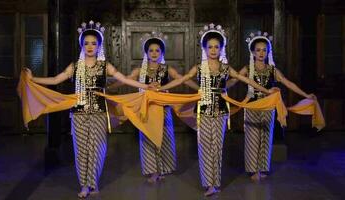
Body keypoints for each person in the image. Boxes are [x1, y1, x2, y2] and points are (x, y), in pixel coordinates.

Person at [25, 20, 149, 198]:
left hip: (99, 113)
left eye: (93, 43)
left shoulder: (105, 66)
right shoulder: (75, 66)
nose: (90, 46)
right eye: (86, 43)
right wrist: (32, 79)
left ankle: (93, 182)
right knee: (81, 150)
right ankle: (84, 185)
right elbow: (55, 80)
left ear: (99, 46)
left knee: (97, 149)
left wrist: (145, 87)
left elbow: (125, 79)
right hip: (78, 114)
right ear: (82, 45)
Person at [158, 24, 275, 196]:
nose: (213, 50)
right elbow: (181, 80)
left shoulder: (226, 68)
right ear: (204, 48)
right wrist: (159, 89)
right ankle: (209, 184)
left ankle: (216, 182)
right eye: (210, 47)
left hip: (220, 112)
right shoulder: (198, 68)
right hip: (203, 112)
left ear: (221, 49)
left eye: (216, 47)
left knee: (217, 148)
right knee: (204, 146)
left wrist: (267, 91)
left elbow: (247, 80)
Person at [108, 31, 198, 183]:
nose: (154, 53)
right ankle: (152, 171)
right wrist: (109, 88)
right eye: (151, 50)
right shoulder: (139, 70)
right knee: (148, 138)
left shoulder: (167, 69)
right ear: (146, 52)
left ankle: (163, 169)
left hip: (163, 108)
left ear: (162, 52)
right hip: (146, 109)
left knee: (164, 138)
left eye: (157, 50)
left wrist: (199, 88)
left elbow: (183, 79)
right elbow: (125, 80)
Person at [226, 31, 316, 181]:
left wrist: (306, 95)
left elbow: (288, 83)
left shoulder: (272, 70)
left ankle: (262, 169)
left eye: (264, 50)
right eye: (258, 50)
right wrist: (219, 87)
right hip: (252, 106)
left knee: (266, 138)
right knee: (252, 139)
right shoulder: (247, 69)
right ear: (253, 52)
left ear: (268, 52)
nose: (261, 53)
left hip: (268, 108)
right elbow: (233, 81)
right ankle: (253, 171)